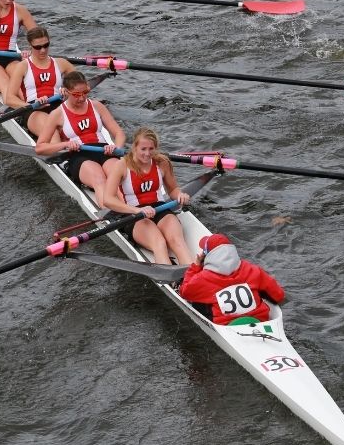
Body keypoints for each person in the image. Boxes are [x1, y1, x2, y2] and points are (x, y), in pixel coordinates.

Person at [97, 128, 194, 265]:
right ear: (135, 147)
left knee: (177, 241)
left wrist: (180, 195)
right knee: (159, 243)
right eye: (143, 149)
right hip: (134, 214)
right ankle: (171, 281)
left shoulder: (162, 163)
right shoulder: (122, 166)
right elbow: (108, 200)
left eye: (151, 149)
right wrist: (137, 211)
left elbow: (173, 189)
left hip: (160, 208)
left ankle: (194, 278)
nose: (147, 154)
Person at [34, 70, 126, 191]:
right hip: (78, 155)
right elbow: (40, 148)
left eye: (85, 92)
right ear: (66, 92)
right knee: (100, 179)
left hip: (103, 151)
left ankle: (129, 207)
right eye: (77, 94)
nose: (82, 98)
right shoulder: (57, 114)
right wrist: (65, 144)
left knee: (119, 177)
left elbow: (119, 133)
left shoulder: (97, 106)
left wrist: (116, 147)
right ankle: (112, 207)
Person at [178, 233, 285, 325]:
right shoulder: (252, 269)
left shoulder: (202, 278)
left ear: (206, 255)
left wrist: (195, 266)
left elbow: (185, 292)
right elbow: (279, 295)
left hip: (225, 326)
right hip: (259, 321)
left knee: (198, 300)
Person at [2, 26, 75, 138]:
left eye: (46, 45)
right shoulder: (22, 66)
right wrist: (33, 106)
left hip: (57, 105)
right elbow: (9, 99)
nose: (43, 50)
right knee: (53, 134)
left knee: (73, 132)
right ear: (30, 46)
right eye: (38, 47)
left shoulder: (62, 63)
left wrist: (68, 91)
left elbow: (81, 87)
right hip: (32, 110)